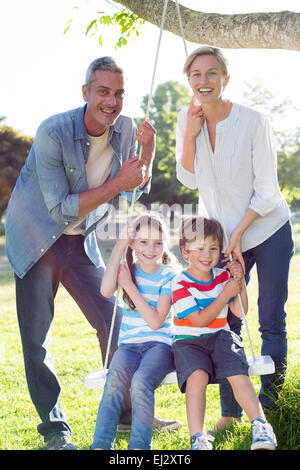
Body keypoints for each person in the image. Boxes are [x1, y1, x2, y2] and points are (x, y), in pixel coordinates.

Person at [5, 56, 159, 450]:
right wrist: (120, 181)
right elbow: (60, 208)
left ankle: (126, 414)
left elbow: (133, 188)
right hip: (37, 238)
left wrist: (150, 150)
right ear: (86, 92)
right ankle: (55, 430)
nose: (112, 101)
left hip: (80, 241)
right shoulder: (53, 132)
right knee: (36, 341)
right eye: (103, 91)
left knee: (115, 325)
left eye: (119, 93)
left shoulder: (125, 130)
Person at [175, 46, 294, 431]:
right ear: (189, 80)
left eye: (212, 73)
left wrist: (238, 235)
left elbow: (268, 191)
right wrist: (191, 136)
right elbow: (188, 178)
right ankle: (231, 412)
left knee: (270, 317)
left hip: (265, 228)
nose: (203, 81)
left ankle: (272, 403)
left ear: (225, 78)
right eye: (196, 74)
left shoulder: (253, 121)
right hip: (221, 239)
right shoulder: (185, 118)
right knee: (226, 320)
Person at [171, 216, 277, 450]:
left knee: (237, 372)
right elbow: (199, 320)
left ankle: (260, 425)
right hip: (189, 342)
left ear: (220, 251)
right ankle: (198, 437)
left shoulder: (222, 277)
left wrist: (239, 280)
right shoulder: (179, 284)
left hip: (221, 336)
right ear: (185, 251)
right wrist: (223, 294)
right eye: (199, 248)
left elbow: (239, 311)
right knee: (197, 377)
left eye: (213, 248)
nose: (206, 254)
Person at [91, 213, 180, 450]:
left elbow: (155, 322)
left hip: (159, 345)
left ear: (165, 245)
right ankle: (100, 444)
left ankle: (140, 447)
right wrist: (120, 244)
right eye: (143, 242)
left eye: (158, 243)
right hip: (128, 345)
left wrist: (129, 286)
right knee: (114, 381)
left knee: (141, 381)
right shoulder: (127, 268)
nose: (151, 249)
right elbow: (106, 291)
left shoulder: (169, 275)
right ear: (133, 243)